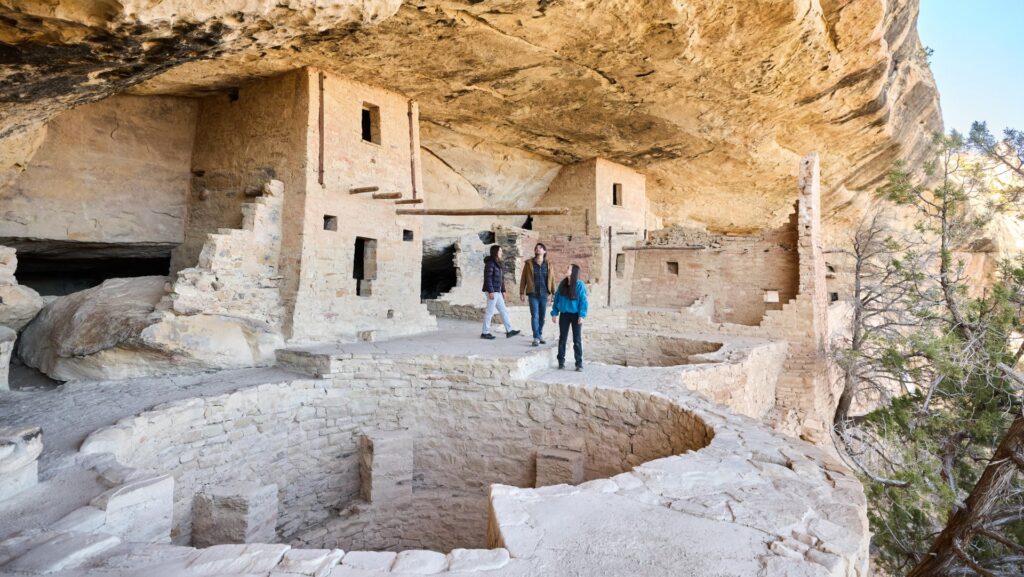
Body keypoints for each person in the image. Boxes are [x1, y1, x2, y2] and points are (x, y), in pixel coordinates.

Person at [551, 263, 587, 371]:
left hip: (576, 315)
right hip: (564, 315)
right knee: (562, 338)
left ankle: (579, 364)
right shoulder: (562, 284)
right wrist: (554, 313)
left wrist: (582, 315)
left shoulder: (580, 285)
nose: (566, 269)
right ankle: (561, 362)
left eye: (569, 268)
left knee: (577, 339)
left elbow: (583, 301)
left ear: (574, 272)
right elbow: (556, 299)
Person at [480, 245, 521, 340]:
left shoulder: (498, 263)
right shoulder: (490, 263)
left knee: (503, 311)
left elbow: (501, 279)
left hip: (497, 291)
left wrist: (503, 290)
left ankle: (509, 331)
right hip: (492, 291)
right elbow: (488, 278)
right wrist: (490, 291)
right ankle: (485, 332)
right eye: (500, 251)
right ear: (496, 252)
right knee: (489, 312)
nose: (501, 253)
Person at [519, 242, 555, 347]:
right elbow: (523, 279)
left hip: (544, 294)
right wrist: (522, 292)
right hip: (533, 293)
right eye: (537, 248)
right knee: (534, 315)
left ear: (544, 251)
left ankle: (539, 334)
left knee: (542, 316)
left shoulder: (548, 264)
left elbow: (552, 279)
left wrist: (553, 293)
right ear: (535, 251)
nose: (538, 249)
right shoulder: (529, 264)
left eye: (541, 248)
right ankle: (536, 337)